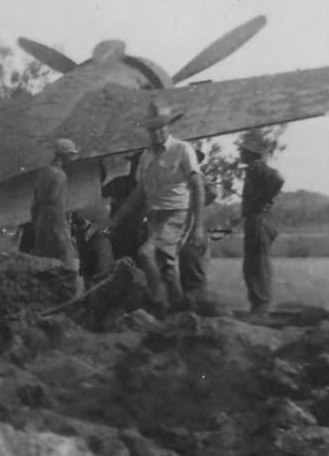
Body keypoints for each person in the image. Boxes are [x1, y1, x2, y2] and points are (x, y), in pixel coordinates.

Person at [103, 102, 204, 314]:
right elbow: (139, 193)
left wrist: (198, 227)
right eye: (152, 129)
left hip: (177, 214)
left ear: (168, 127)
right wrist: (115, 220)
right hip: (154, 217)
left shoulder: (182, 149)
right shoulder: (146, 157)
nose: (157, 133)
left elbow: (197, 186)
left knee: (146, 253)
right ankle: (179, 310)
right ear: (147, 131)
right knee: (167, 268)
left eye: (161, 127)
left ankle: (158, 302)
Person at [238, 136, 286, 314]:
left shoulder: (258, 168)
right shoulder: (253, 169)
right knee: (253, 262)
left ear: (251, 154)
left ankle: (260, 304)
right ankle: (257, 303)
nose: (240, 153)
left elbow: (278, 179)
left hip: (259, 219)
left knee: (258, 262)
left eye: (243, 151)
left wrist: (260, 203)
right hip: (256, 218)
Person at [28, 137, 79, 268]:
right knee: (68, 265)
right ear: (63, 155)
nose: (72, 159)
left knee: (44, 265)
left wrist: (37, 224)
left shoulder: (43, 172)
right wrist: (65, 233)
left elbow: (35, 204)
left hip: (41, 224)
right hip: (56, 225)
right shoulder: (60, 176)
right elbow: (57, 205)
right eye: (71, 155)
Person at [178, 147, 217, 302]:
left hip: (191, 227)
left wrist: (192, 208)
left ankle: (199, 307)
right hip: (187, 226)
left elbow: (212, 192)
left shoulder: (196, 176)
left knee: (193, 272)